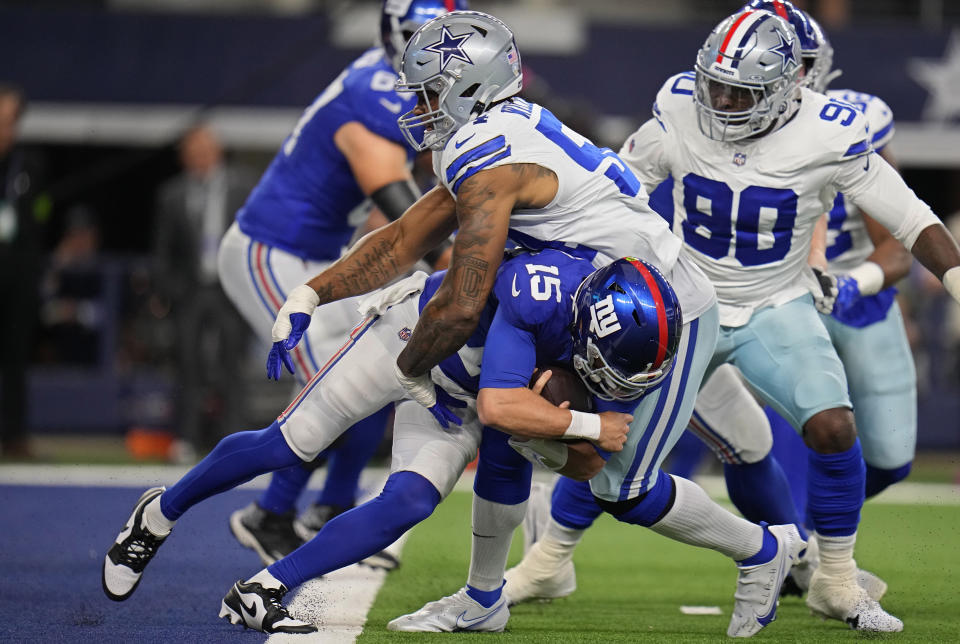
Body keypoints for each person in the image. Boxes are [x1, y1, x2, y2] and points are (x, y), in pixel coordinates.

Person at [266, 11, 806, 638]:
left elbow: (462, 303)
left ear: (468, 88)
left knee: (618, 486)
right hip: (586, 310)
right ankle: (483, 597)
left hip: (654, 315)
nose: (416, 105)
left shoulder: (485, 153)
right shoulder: (489, 131)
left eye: (427, 91)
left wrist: (405, 371)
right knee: (514, 435)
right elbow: (403, 240)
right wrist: (313, 291)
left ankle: (765, 550)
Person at [506, 7, 960, 634]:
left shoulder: (829, 134)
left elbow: (912, 219)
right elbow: (619, 185)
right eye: (715, 84)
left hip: (777, 303)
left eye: (740, 91)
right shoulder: (681, 107)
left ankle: (835, 578)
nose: (721, 101)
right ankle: (549, 558)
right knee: (620, 441)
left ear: (788, 86)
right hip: (685, 302)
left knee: (832, 427)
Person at [99, 248, 636, 631]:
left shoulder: (617, 350)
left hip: (465, 398)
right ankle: (159, 513)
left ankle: (265, 588)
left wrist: (550, 436)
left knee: (409, 502)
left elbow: (586, 464)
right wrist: (579, 425)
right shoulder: (540, 291)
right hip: (409, 341)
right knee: (291, 443)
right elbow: (507, 405)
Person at [676, 0, 918, 598]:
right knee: (782, 438)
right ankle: (802, 555)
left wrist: (852, 283)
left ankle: (809, 546)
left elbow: (899, 241)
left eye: (800, 62)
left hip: (854, 296)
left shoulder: (848, 124)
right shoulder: (712, 120)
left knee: (890, 457)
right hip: (773, 296)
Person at [218, 0, 466, 569]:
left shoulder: (418, 89)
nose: (434, 54)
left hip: (320, 253)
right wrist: (455, 253)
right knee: (332, 383)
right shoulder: (377, 90)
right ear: (392, 36)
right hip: (272, 249)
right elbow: (393, 198)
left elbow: (393, 217)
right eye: (420, 38)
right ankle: (271, 513)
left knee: (380, 359)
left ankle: (330, 509)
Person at [154, 124, 257, 453]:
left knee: (232, 364)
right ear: (184, 157)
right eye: (192, 151)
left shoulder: (243, 186)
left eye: (204, 150)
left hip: (231, 289)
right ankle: (187, 438)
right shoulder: (172, 194)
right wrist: (169, 289)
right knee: (188, 364)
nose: (198, 157)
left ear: (217, 151)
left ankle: (235, 440)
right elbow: (163, 248)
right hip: (192, 290)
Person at [0, 84, 46, 459]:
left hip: (17, 276)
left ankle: (14, 435)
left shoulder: (28, 165)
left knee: (15, 357)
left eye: (10, 118)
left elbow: (39, 217)